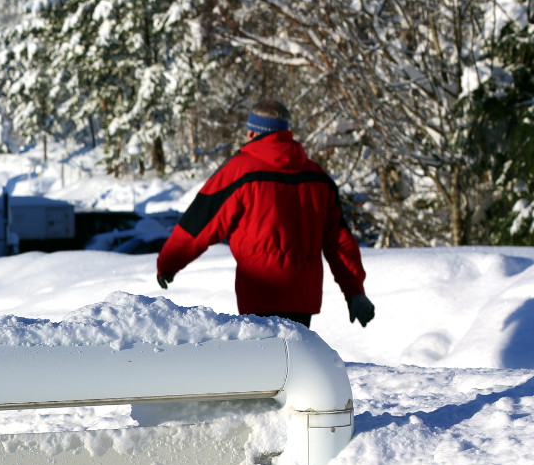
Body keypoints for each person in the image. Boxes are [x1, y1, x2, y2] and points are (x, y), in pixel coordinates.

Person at [155, 99, 375, 329]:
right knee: (294, 351)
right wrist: (354, 292)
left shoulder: (239, 170)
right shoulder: (317, 177)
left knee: (263, 351)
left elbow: (201, 221)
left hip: (259, 287)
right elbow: (339, 241)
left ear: (252, 132)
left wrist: (169, 262)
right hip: (303, 293)